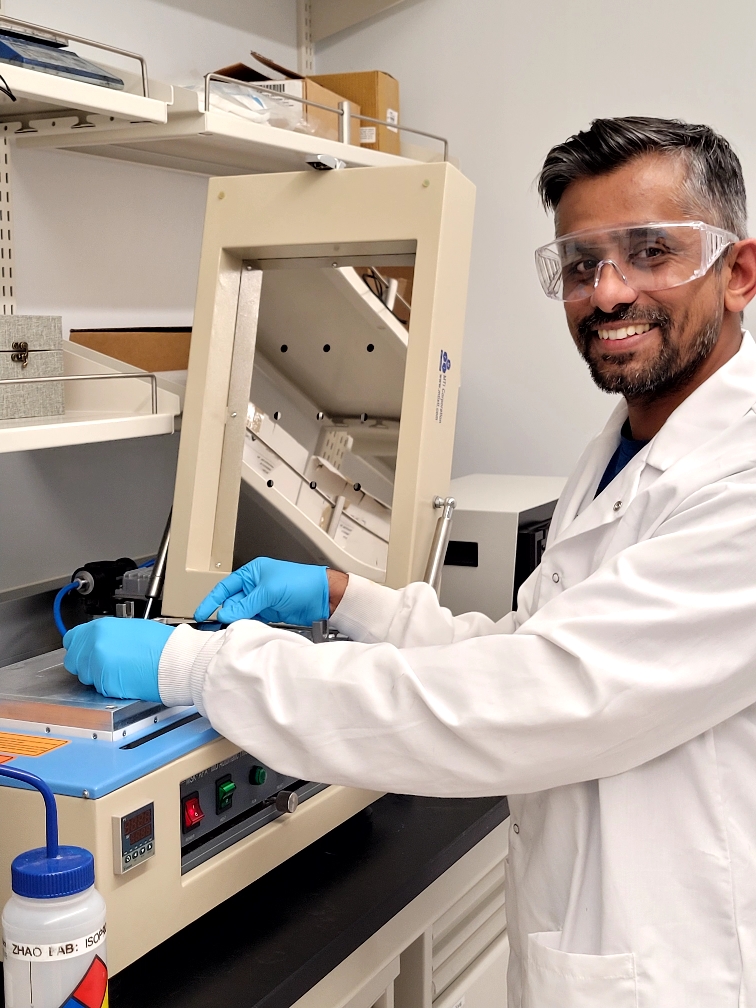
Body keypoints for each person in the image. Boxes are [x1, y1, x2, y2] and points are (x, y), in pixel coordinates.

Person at [64, 116, 756, 1007]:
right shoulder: (620, 446)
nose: (608, 292)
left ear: (738, 272)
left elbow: (524, 702)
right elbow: (523, 646)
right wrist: (349, 598)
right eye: (580, 265)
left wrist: (196, 661)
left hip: (677, 966)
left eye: (652, 251)